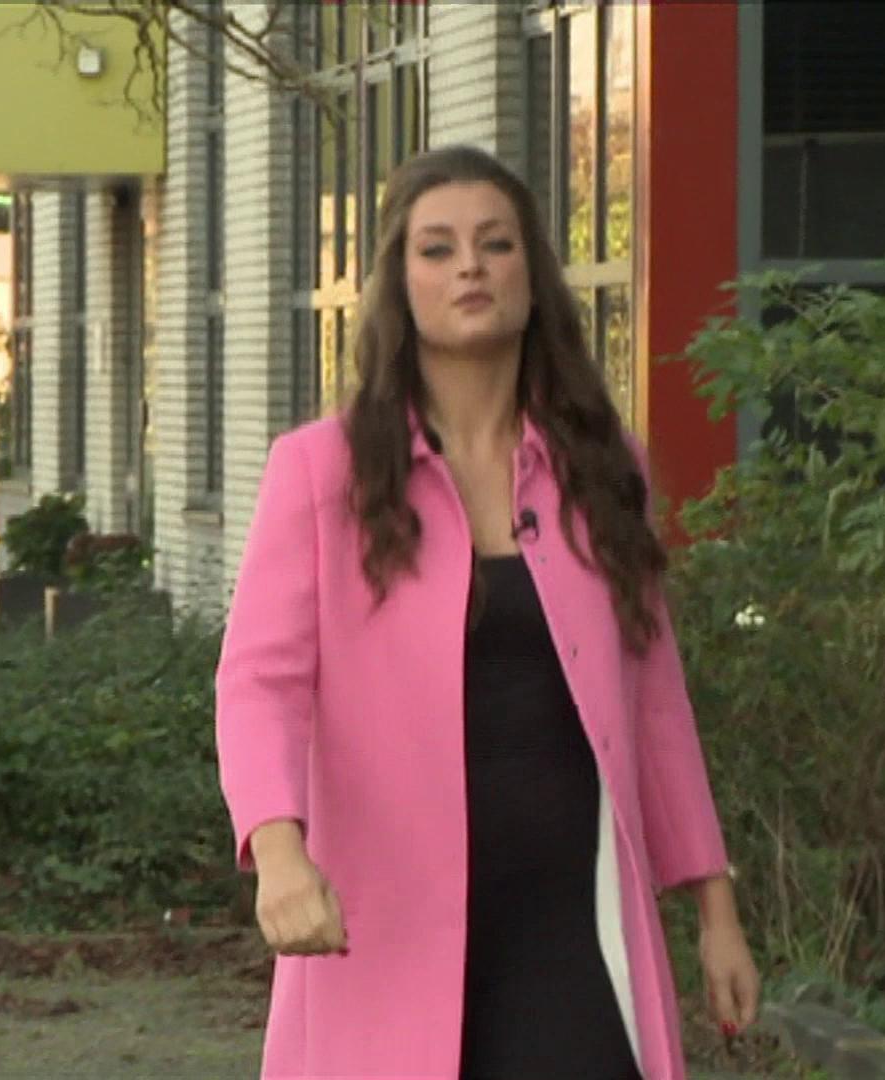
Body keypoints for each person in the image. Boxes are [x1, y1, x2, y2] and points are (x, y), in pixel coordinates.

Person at [214, 144, 761, 1080]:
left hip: (571, 933)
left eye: (495, 244)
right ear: (400, 283)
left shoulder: (603, 467)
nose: (470, 265)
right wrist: (279, 852)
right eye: (437, 249)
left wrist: (717, 913)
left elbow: (657, 702)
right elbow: (259, 682)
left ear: (532, 275)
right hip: (386, 936)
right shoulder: (322, 471)